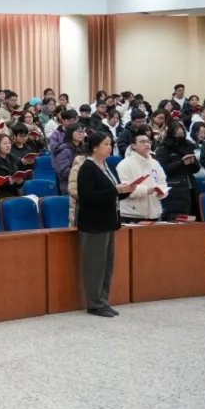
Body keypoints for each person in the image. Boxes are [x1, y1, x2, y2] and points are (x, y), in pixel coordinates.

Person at [75, 132, 135, 317]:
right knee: (95, 266)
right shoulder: (87, 168)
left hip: (109, 222)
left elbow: (112, 194)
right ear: (95, 147)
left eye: (110, 144)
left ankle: (103, 301)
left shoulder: (108, 166)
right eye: (105, 144)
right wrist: (115, 190)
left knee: (107, 266)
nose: (110, 147)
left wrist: (127, 190)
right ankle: (94, 304)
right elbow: (86, 198)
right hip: (94, 224)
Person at [115, 132, 168, 223]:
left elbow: (162, 182)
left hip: (154, 212)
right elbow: (123, 188)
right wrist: (145, 190)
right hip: (132, 213)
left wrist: (162, 192)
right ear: (133, 146)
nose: (147, 144)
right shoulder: (124, 164)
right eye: (142, 142)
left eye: (148, 142)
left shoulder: (155, 163)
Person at [155, 121, 200, 219]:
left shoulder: (188, 145)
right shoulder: (163, 149)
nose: (180, 136)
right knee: (177, 217)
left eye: (182, 134)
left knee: (194, 216)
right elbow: (162, 169)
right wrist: (181, 163)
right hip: (174, 188)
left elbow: (196, 169)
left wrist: (193, 162)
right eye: (178, 134)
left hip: (190, 186)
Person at [0, 132, 25, 202]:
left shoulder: (12, 157)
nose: (8, 146)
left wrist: (19, 182)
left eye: (9, 143)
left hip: (14, 194)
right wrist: (7, 182)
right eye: (5, 143)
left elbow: (17, 176)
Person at [53, 122, 86, 195]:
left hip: (83, 184)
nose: (81, 134)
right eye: (78, 131)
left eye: (82, 131)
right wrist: (82, 173)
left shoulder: (83, 149)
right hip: (69, 187)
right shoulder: (64, 151)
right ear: (70, 133)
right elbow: (63, 173)